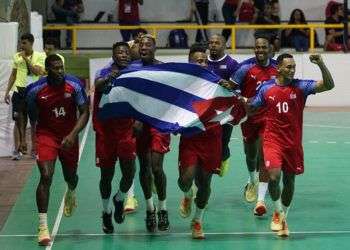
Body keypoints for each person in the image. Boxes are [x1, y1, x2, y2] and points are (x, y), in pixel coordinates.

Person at [247, 53, 334, 237]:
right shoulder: (266, 88)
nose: (292, 70)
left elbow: (329, 85)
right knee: (273, 177)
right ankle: (277, 212)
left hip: (293, 144)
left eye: (294, 67)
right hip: (272, 141)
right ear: (278, 68)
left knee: (289, 181)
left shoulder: (301, 87)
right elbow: (253, 106)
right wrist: (244, 103)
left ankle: (284, 215)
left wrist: (321, 64)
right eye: (288, 67)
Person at [178, 43, 245, 239]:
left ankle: (197, 220)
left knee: (205, 183)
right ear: (189, 62)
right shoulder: (180, 84)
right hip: (190, 138)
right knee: (186, 180)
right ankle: (188, 194)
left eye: (203, 60)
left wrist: (232, 91)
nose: (201, 63)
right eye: (196, 61)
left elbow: (237, 101)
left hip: (211, 139)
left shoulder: (218, 83)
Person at [25, 54, 89, 246]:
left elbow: (85, 111)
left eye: (61, 67)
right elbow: (28, 114)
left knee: (71, 176)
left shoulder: (74, 84)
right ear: (47, 69)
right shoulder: (35, 90)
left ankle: (71, 190)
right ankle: (43, 226)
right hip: (46, 135)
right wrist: (27, 139)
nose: (60, 71)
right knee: (46, 176)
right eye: (55, 68)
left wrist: (72, 135)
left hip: (69, 135)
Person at [93, 42, 137, 234]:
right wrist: (111, 76)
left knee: (129, 172)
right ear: (113, 55)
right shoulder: (104, 72)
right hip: (106, 132)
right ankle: (105, 212)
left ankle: (119, 198)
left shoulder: (135, 74)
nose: (124, 55)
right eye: (120, 52)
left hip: (126, 130)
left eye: (127, 52)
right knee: (106, 176)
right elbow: (98, 86)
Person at [231, 35, 277, 216]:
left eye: (263, 47)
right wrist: (243, 102)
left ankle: (260, 201)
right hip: (249, 118)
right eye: (257, 47)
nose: (260, 50)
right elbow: (232, 87)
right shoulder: (245, 68)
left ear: (270, 49)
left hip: (268, 119)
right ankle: (252, 180)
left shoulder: (276, 68)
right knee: (250, 155)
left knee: (263, 156)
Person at [130, 34, 171, 232]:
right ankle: (149, 208)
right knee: (144, 168)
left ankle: (163, 208)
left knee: (156, 167)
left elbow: (168, 97)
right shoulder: (132, 68)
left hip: (158, 123)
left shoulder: (163, 68)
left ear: (155, 48)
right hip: (139, 125)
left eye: (148, 45)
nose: (144, 47)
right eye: (141, 45)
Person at [4, 33, 46, 160]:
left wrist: (26, 59)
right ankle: (17, 150)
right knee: (17, 121)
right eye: (21, 43)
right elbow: (13, 75)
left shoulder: (40, 56)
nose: (22, 46)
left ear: (31, 43)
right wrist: (7, 92)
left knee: (34, 122)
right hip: (19, 91)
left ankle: (34, 149)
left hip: (33, 92)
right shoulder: (17, 56)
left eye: (24, 43)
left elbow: (37, 72)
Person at [207, 34, 239, 176]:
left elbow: (239, 88)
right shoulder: (202, 62)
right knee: (206, 142)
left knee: (223, 141)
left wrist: (229, 87)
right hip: (205, 110)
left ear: (224, 45)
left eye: (217, 43)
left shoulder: (232, 64)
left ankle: (224, 158)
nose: (213, 45)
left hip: (225, 111)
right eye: (211, 42)